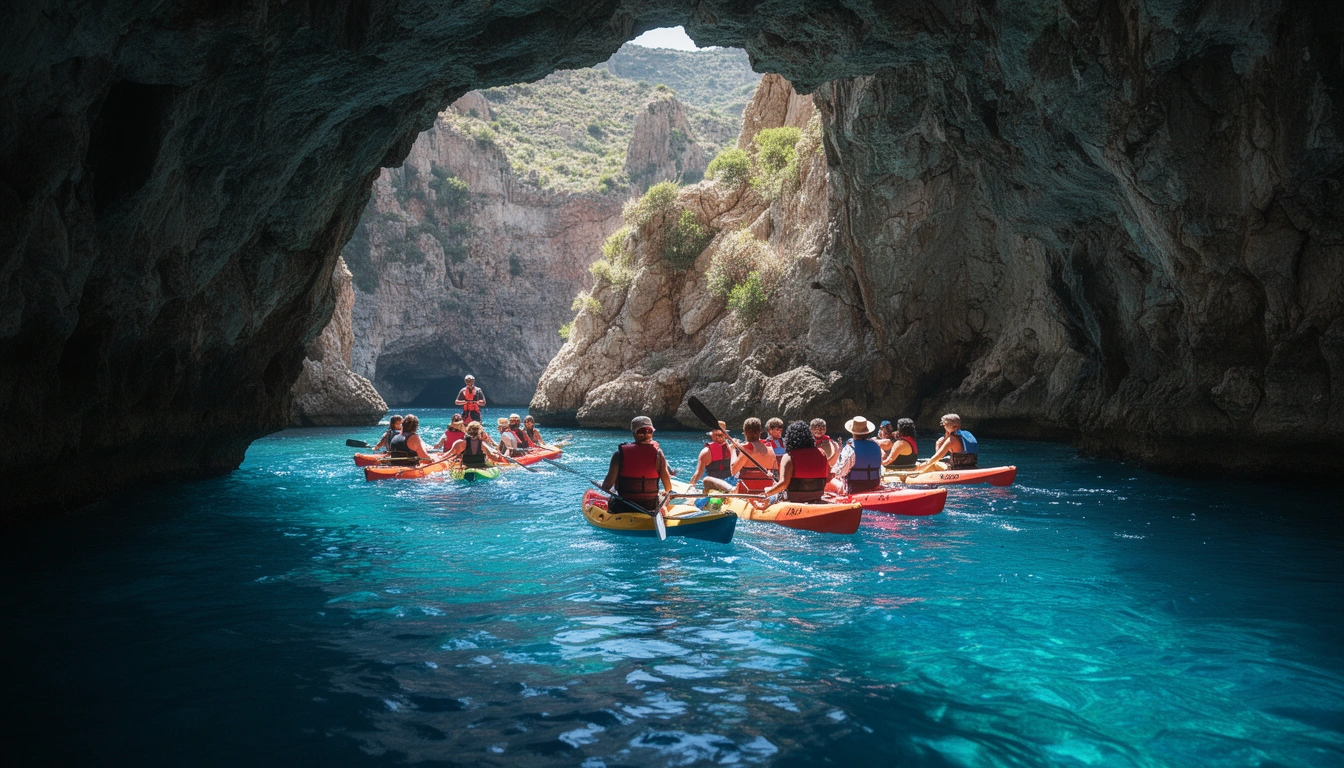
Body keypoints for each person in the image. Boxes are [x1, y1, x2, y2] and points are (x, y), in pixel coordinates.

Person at [600, 416, 675, 515]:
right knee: (664, 497)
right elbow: (668, 487)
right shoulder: (658, 454)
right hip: (650, 506)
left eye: (649, 431)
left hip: (622, 506)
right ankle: (663, 510)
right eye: (642, 431)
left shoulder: (619, 455)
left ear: (633, 432)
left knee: (610, 498)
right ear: (634, 432)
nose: (646, 434)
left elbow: (606, 486)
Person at [762, 421, 830, 503]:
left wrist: (768, 491)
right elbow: (829, 477)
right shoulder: (822, 454)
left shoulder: (788, 457)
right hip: (817, 497)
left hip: (794, 499)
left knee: (770, 494)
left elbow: (783, 484)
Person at [832, 416, 885, 493]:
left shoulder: (850, 448)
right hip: (874, 483)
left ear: (853, 432)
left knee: (830, 481)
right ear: (867, 432)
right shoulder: (876, 445)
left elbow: (840, 472)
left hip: (854, 487)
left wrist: (832, 472)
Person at [688, 420, 738, 494]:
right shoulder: (735, 448)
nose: (718, 438)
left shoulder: (706, 452)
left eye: (720, 435)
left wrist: (691, 485)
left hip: (723, 487)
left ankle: (732, 490)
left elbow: (698, 473)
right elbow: (698, 473)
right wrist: (692, 485)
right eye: (717, 435)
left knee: (706, 480)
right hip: (724, 486)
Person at [731, 417, 777, 493]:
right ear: (759, 432)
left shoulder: (747, 449)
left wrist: (732, 449)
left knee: (708, 480)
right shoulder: (770, 448)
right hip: (766, 491)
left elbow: (733, 471)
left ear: (745, 432)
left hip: (747, 491)